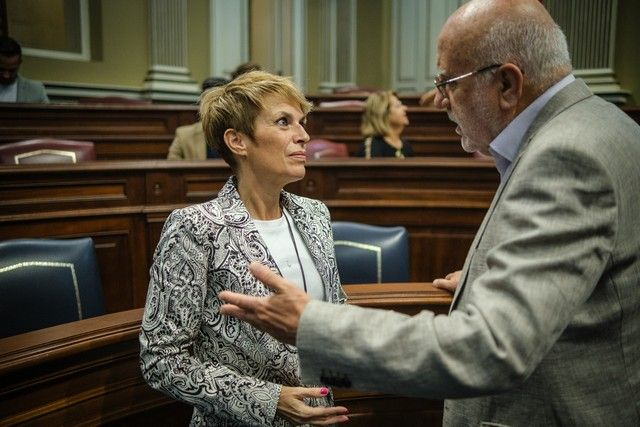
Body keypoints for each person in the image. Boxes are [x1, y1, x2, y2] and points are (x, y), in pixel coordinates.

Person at [217, 0, 640, 425]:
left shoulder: (564, 156)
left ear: (508, 85)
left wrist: (311, 326)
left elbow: (489, 349)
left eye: (448, 82)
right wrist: (489, 281)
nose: (438, 101)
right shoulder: (607, 125)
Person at [140, 70, 349, 426]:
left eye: (302, 122)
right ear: (238, 141)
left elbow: (336, 308)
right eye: (284, 122)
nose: (304, 136)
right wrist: (270, 400)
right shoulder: (193, 227)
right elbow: (162, 359)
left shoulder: (315, 214)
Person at [167, 77, 229, 160]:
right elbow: (171, 168)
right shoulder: (184, 135)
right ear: (201, 105)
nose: (213, 109)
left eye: (219, 103)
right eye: (208, 103)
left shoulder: (241, 134)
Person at [357, 90, 413, 158]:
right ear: (383, 114)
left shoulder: (406, 145)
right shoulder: (372, 147)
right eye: (398, 106)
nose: (405, 108)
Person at [0, 36, 49, 103]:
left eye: (12, 71)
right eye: (1, 70)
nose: (6, 75)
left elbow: (47, 113)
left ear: (19, 64)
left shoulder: (36, 91)